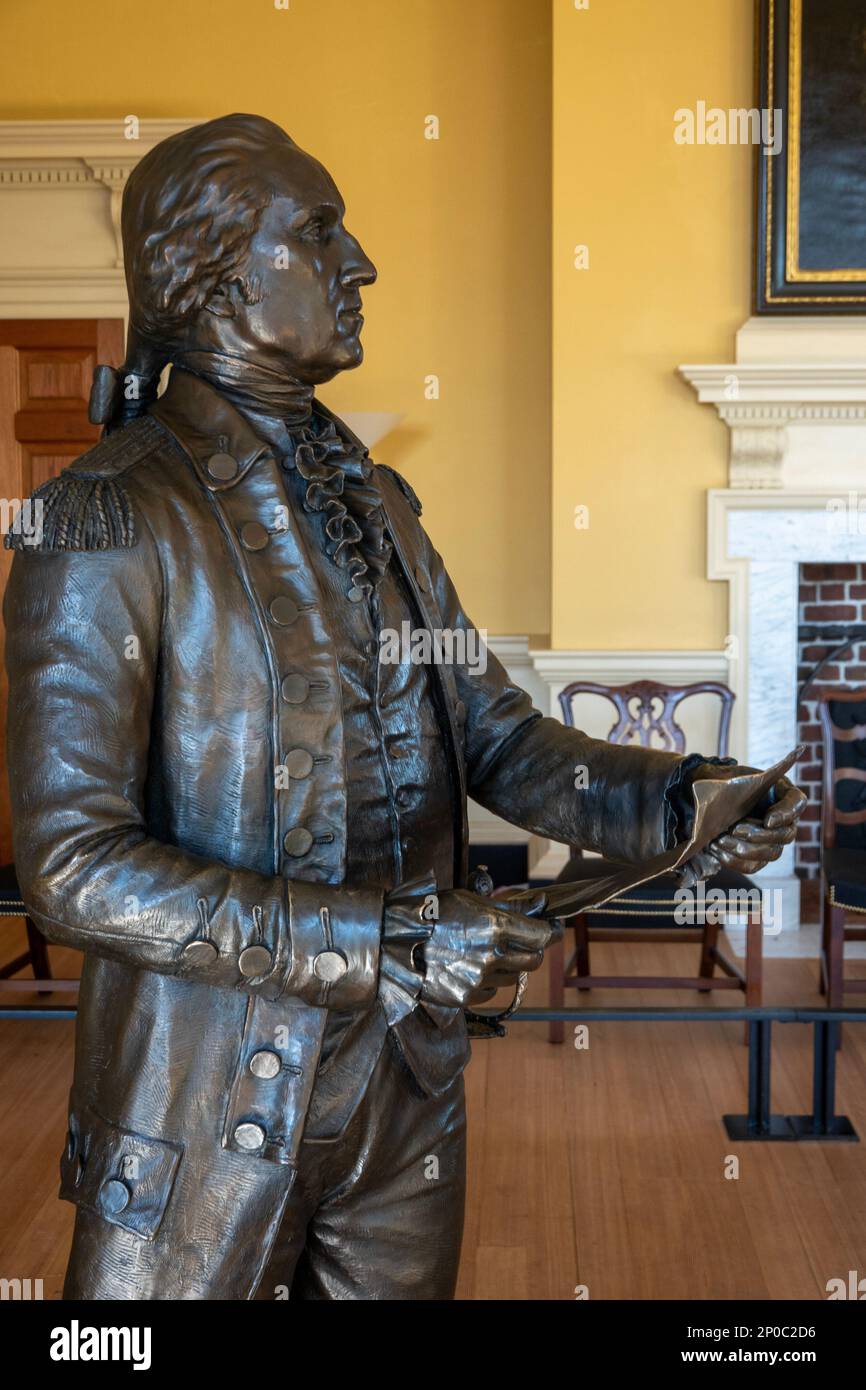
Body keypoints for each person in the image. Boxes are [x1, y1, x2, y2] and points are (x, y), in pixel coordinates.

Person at [3, 115, 804, 1300]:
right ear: (213, 271)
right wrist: (380, 942)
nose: (361, 262)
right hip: (201, 1103)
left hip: (402, 1091)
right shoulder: (108, 515)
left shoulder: (372, 503)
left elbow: (492, 732)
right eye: (319, 233)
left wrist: (673, 798)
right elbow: (70, 867)